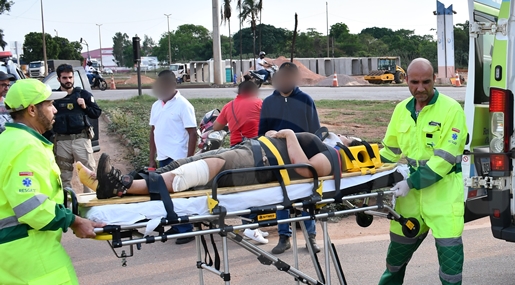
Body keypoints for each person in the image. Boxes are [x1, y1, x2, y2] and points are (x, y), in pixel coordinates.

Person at [0, 79, 104, 285]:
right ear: (31, 110)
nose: (55, 109)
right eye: (49, 104)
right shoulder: (26, 148)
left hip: (10, 254)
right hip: (30, 246)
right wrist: (73, 220)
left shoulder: (7, 141)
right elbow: (31, 207)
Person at [371, 58, 469, 285]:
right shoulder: (401, 110)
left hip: (442, 193)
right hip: (409, 197)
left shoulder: (451, 110)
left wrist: (411, 182)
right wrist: (364, 164)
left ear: (434, 79)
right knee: (397, 254)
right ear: (407, 81)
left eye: (426, 82)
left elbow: (445, 158)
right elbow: (389, 152)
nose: (420, 88)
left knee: (450, 261)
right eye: (414, 82)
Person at [78, 131, 336, 200]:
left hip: (259, 164)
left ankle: (122, 186)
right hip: (253, 150)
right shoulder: (325, 138)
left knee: (202, 169)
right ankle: (111, 181)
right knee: (182, 164)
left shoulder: (334, 154)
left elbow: (306, 171)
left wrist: (289, 135)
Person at [258, 62, 321, 254]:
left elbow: (315, 132)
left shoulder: (306, 100)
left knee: (305, 196)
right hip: (277, 157)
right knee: (281, 198)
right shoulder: (269, 102)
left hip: (301, 156)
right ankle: (284, 237)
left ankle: (310, 237)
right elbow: (261, 133)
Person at [213, 79, 267, 243]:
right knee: (257, 188)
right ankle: (251, 228)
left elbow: (216, 126)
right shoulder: (259, 104)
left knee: (244, 188)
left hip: (236, 149)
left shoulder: (229, 106)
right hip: (256, 150)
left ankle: (252, 226)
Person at [149, 69, 197, 244]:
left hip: (179, 157)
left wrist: (188, 159)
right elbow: (153, 131)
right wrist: (152, 158)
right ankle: (176, 225)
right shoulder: (156, 105)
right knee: (166, 193)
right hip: (163, 156)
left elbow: (193, 133)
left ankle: (186, 229)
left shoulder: (183, 105)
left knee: (181, 194)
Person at [50, 64, 101, 190]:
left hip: (81, 139)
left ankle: (90, 205)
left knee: (89, 175)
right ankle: (68, 206)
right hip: (62, 142)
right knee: (63, 176)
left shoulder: (84, 94)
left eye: (70, 77)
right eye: (64, 78)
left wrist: (85, 107)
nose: (68, 80)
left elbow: (96, 113)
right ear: (58, 79)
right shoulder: (54, 98)